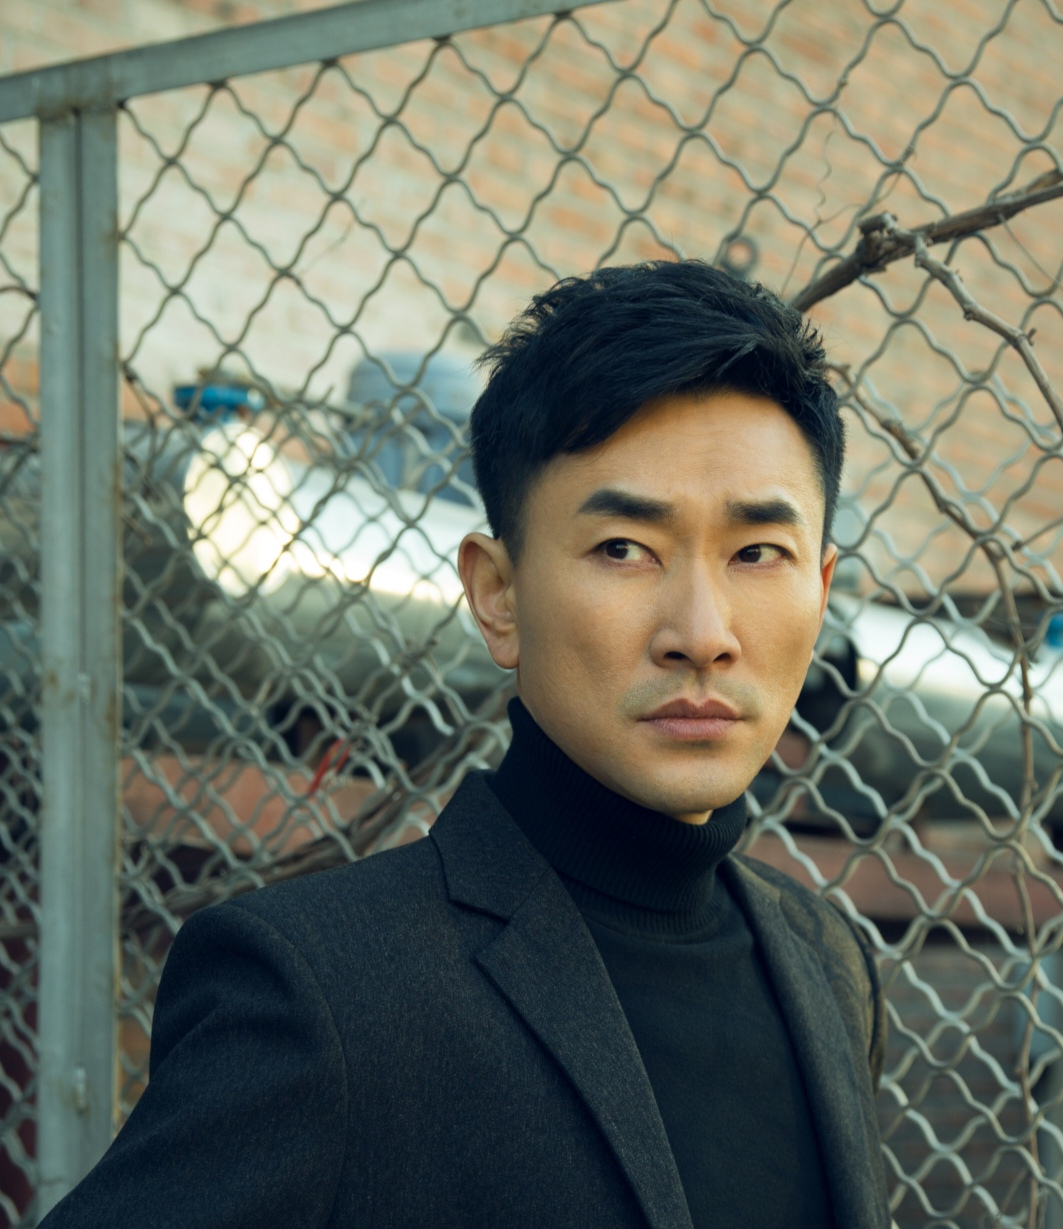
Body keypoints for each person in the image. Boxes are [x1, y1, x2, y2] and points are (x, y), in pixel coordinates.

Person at [41, 261, 890, 1228]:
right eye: (623, 548)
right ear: (497, 594)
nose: (701, 632)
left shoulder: (829, 966)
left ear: (821, 590)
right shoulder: (320, 991)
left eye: (757, 553)